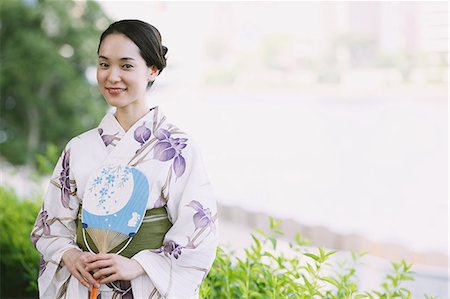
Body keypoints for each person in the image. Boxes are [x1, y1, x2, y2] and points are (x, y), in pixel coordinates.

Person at [31, 19, 218, 299]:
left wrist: (137, 264)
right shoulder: (79, 147)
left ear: (152, 70)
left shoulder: (178, 148)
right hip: (84, 286)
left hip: (145, 287)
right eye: (104, 64)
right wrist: (70, 255)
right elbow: (50, 226)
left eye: (126, 66)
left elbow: (198, 234)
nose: (112, 76)